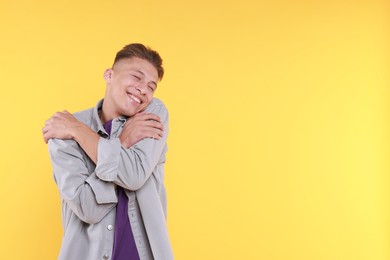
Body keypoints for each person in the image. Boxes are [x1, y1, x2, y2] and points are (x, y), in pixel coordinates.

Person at [42, 43, 173, 260]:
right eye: (137, 77)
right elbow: (87, 209)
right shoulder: (62, 134)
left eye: (151, 86)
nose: (144, 89)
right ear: (109, 75)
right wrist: (121, 141)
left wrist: (77, 131)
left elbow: (133, 176)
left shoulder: (153, 113)